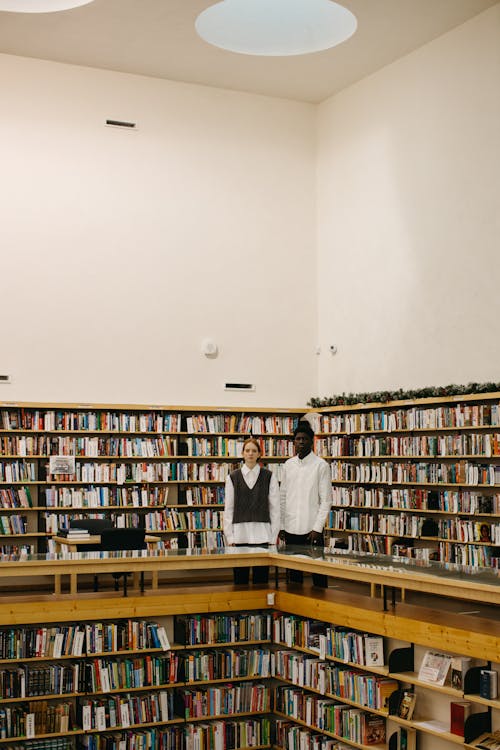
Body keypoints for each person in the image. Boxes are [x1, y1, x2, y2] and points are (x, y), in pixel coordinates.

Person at [280, 421, 331, 587]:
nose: (301, 442)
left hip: (311, 530)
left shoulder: (321, 466)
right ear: (294, 442)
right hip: (291, 528)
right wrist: (281, 525)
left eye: (305, 439)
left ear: (311, 441)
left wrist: (317, 528)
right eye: (298, 439)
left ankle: (321, 608)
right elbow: (282, 496)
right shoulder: (288, 465)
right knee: (294, 574)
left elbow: (326, 500)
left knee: (318, 574)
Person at [224, 437, 280, 584]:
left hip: (262, 534)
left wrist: (273, 537)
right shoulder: (232, 477)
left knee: (261, 579)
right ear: (242, 453)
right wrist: (229, 536)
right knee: (240, 578)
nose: (250, 454)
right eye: (247, 450)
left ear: (259, 454)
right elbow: (228, 509)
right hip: (239, 535)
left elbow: (275, 509)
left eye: (254, 451)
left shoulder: (269, 476)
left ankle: (261, 606)